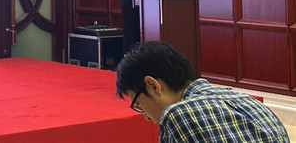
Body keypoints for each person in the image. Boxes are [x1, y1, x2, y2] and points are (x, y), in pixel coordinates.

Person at [116, 41, 289, 142]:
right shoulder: (250, 102)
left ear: (153, 85)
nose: (146, 117)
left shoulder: (179, 114)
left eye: (139, 104)